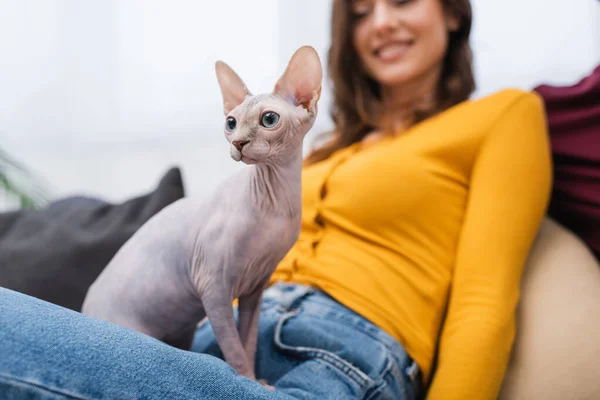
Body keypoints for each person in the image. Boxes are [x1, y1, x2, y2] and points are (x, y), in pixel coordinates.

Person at [0, 0, 565, 398]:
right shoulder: (311, 145)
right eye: (361, 13)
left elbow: (483, 303)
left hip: (338, 351)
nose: (381, 23)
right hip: (208, 343)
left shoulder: (501, 116)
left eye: (401, 0)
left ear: (452, 11)